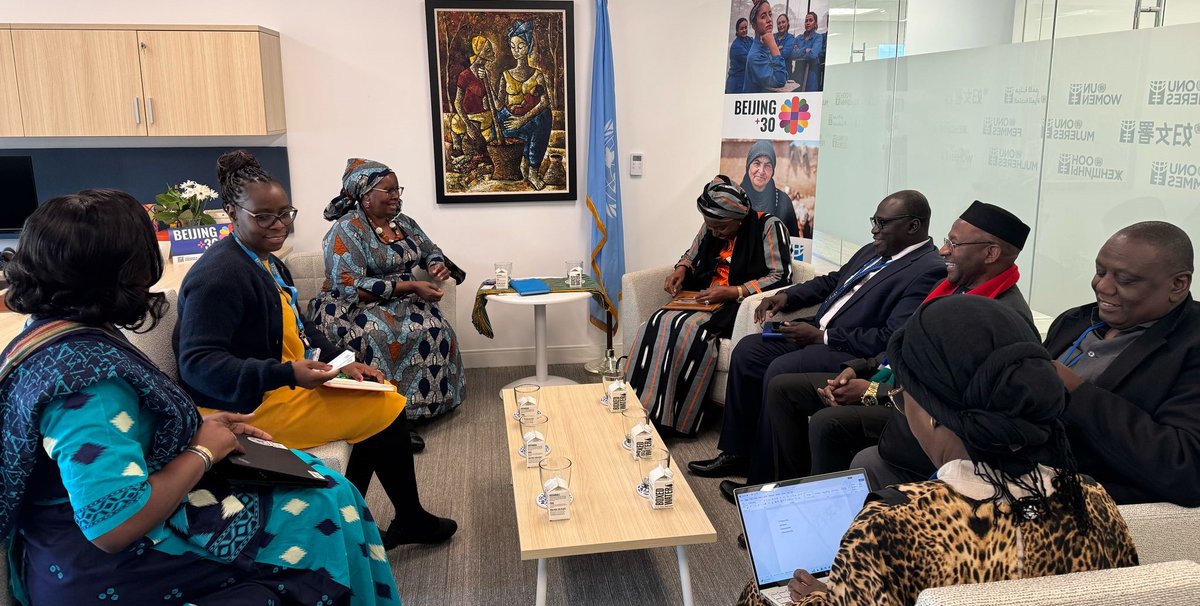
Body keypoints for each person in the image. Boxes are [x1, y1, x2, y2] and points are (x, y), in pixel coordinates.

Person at [0, 188, 403, 604]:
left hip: (138, 508)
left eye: (284, 214)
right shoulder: (86, 384)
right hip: (114, 569)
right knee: (325, 508)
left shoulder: (54, 335)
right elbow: (113, 525)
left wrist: (197, 430)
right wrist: (202, 453)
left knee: (329, 488)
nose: (279, 224)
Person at [737, 296, 1138, 606]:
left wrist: (817, 598)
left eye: (900, 395)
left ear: (932, 416)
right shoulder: (1092, 501)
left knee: (758, 591)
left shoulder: (892, 526)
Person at [176, 150, 456, 549]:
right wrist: (289, 374)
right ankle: (386, 519)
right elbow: (198, 365)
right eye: (264, 216)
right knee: (386, 410)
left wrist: (345, 363)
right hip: (244, 407)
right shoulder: (219, 276)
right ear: (231, 212)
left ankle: (376, 518)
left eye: (285, 213)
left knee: (381, 397)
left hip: (282, 383)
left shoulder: (264, 260)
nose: (279, 225)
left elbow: (301, 326)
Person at [866, 221, 1200, 507]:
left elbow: (1184, 465)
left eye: (1124, 280)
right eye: (1100, 271)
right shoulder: (1076, 320)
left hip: (1065, 488)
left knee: (868, 458)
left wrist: (1076, 392)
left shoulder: (1191, 348)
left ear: (1178, 284)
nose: (1102, 286)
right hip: (999, 450)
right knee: (877, 448)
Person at [760, 201, 1034, 488]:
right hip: (893, 384)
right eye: (945, 241)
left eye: (954, 244)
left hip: (928, 422)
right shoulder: (954, 289)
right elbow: (901, 345)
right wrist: (857, 369)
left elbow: (955, 402)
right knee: (784, 389)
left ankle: (825, 516)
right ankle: (783, 496)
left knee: (828, 424)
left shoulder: (1005, 321)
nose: (943, 251)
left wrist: (874, 392)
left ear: (990, 253)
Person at [688, 190, 945, 482]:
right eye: (874, 220)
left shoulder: (928, 270)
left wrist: (823, 336)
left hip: (848, 351)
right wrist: (785, 297)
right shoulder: (876, 249)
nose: (874, 229)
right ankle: (738, 453)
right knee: (748, 351)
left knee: (779, 371)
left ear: (913, 226)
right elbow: (832, 281)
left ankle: (772, 480)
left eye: (882, 223)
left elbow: (888, 338)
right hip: (816, 332)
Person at [625, 176, 792, 436]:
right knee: (657, 322)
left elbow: (780, 276)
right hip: (702, 294)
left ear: (739, 218)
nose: (715, 233)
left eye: (721, 228)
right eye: (710, 227)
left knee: (688, 330)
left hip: (736, 303)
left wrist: (735, 291)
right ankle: (637, 408)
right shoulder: (713, 223)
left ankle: (670, 420)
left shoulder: (769, 226)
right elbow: (691, 254)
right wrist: (681, 269)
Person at [314, 158, 466, 425]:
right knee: (377, 334)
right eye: (389, 190)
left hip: (405, 301)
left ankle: (424, 408)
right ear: (366, 196)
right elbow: (349, 285)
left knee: (434, 328)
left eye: (398, 190)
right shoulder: (346, 229)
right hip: (356, 305)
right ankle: (386, 416)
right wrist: (410, 286)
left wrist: (435, 264)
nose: (396, 196)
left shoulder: (403, 223)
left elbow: (429, 249)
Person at [497, 19, 553, 190]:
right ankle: (521, 163)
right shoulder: (505, 75)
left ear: (528, 46)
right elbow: (499, 104)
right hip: (511, 120)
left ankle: (533, 171)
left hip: (530, 119)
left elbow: (545, 102)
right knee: (501, 119)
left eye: (520, 46)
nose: (516, 51)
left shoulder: (537, 75)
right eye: (513, 46)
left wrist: (523, 119)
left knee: (543, 117)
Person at [449, 35, 498, 165]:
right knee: (468, 137)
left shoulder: (486, 73)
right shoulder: (465, 75)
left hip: (483, 117)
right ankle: (460, 151)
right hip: (466, 117)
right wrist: (468, 125)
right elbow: (457, 103)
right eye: (487, 50)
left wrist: (486, 80)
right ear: (479, 52)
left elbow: (494, 103)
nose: (491, 53)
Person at [741, 140, 798, 237]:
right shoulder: (736, 198)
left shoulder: (783, 202)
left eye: (767, 166)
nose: (762, 171)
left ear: (772, 171)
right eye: (757, 163)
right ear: (748, 166)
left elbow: (794, 240)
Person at [741, 0, 787, 94]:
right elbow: (780, 80)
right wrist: (774, 46)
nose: (769, 19)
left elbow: (786, 75)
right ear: (754, 25)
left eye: (770, 14)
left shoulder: (766, 46)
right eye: (763, 16)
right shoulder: (755, 56)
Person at [793, 11, 825, 92]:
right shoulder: (798, 38)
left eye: (810, 20)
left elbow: (813, 55)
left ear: (815, 23)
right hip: (798, 74)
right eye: (806, 21)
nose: (807, 23)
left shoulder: (818, 37)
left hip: (812, 74)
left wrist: (799, 51)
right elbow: (792, 54)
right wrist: (805, 50)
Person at [725, 18, 753, 94]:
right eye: (741, 28)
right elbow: (751, 60)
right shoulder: (736, 46)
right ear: (737, 31)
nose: (744, 30)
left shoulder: (749, 40)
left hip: (745, 80)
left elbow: (759, 48)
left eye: (746, 27)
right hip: (736, 82)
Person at [773, 12, 796, 79]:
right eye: (779, 23)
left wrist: (773, 49)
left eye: (783, 22)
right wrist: (777, 49)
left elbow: (784, 55)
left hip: (785, 74)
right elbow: (765, 52)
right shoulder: (772, 37)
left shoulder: (791, 38)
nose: (781, 25)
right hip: (772, 74)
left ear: (787, 23)